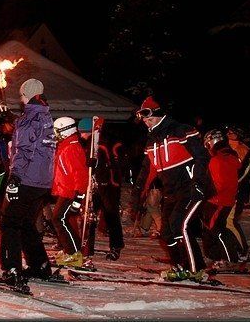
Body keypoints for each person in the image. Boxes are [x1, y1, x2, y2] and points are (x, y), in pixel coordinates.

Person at [0, 78, 56, 293]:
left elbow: (24, 149)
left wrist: (15, 177)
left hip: (26, 178)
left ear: (26, 95)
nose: (20, 98)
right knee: (26, 222)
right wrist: (13, 121)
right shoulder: (44, 115)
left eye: (22, 95)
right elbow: (32, 137)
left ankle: (11, 270)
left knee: (9, 222)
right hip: (42, 181)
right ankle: (39, 265)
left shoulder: (29, 119)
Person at [134, 95, 209, 281]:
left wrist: (198, 183)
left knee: (180, 226)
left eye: (149, 119)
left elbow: (201, 157)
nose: (146, 123)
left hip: (189, 188)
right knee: (166, 232)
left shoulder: (180, 131)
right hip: (170, 191)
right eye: (144, 120)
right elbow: (146, 169)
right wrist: (138, 192)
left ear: (160, 115)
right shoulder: (151, 141)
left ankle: (196, 269)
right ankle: (179, 266)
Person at [78, 117, 125, 261]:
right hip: (95, 184)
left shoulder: (106, 142)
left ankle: (116, 246)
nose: (82, 136)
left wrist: (97, 164)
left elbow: (112, 163)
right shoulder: (91, 143)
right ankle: (87, 246)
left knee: (111, 215)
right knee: (89, 215)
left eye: (83, 132)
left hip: (108, 185)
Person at [50, 117, 90, 269]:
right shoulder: (65, 146)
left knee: (58, 219)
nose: (56, 135)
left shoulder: (72, 148)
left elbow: (80, 174)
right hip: (65, 190)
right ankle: (71, 250)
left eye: (58, 131)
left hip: (70, 191)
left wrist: (79, 197)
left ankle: (74, 254)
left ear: (66, 131)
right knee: (60, 219)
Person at [201, 129, 243, 267]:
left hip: (218, 200)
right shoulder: (228, 156)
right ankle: (214, 256)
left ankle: (230, 258)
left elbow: (218, 183)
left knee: (217, 229)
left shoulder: (218, 159)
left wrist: (205, 194)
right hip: (225, 199)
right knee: (211, 228)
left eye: (208, 145)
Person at [225, 126, 250, 258]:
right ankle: (233, 247)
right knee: (225, 221)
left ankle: (242, 248)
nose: (229, 134)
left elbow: (245, 172)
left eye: (232, 133)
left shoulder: (244, 150)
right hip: (225, 190)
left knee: (230, 220)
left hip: (237, 190)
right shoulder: (225, 148)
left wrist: (233, 184)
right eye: (228, 132)